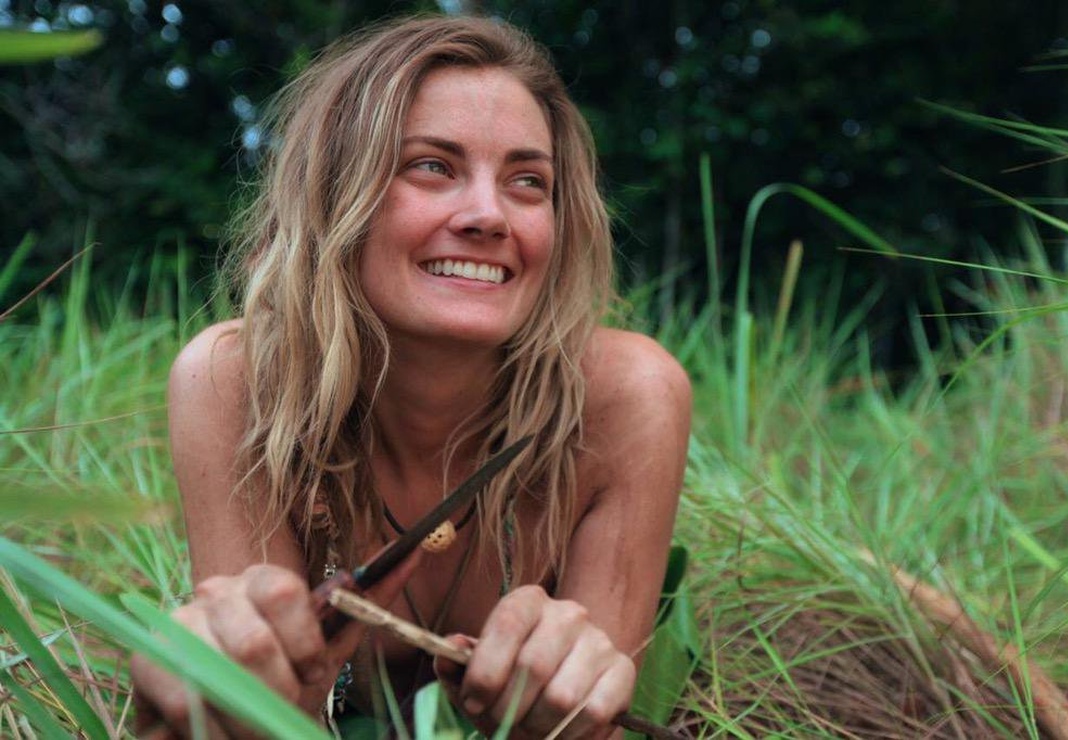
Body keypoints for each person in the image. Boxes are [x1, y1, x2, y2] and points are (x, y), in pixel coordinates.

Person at [131, 13, 691, 739]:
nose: (489, 215)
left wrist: (572, 710)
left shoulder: (626, 396)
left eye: (528, 181)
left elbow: (591, 726)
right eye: (432, 166)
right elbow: (259, 715)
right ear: (335, 194)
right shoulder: (232, 381)